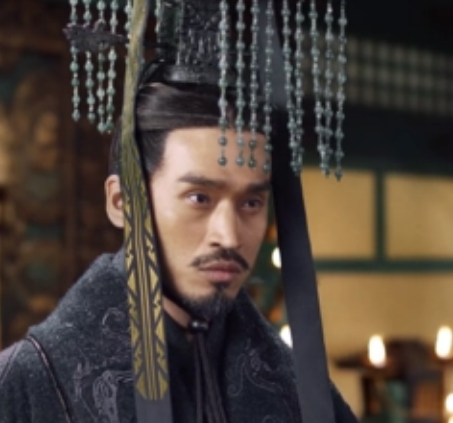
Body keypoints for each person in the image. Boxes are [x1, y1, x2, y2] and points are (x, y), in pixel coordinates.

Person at [1, 0, 355, 422]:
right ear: (122, 202)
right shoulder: (28, 382)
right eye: (199, 198)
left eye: (251, 203)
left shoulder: (296, 388)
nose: (229, 235)